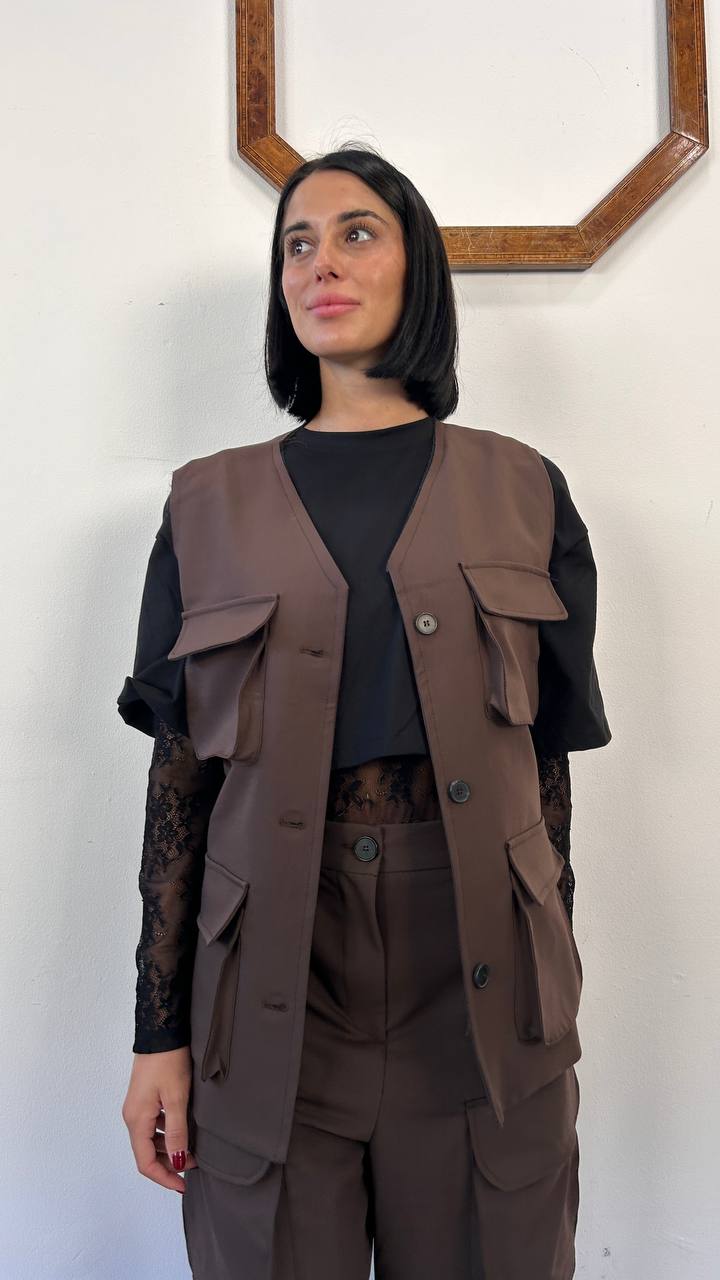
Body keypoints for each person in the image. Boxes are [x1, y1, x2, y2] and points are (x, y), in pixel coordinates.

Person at [118, 144, 611, 1278]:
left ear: (416, 268)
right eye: (297, 243)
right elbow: (180, 784)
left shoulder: (525, 488)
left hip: (481, 988)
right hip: (269, 989)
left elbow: (544, 777)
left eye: (355, 233)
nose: (320, 264)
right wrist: (158, 1033)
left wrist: (550, 995)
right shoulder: (205, 504)